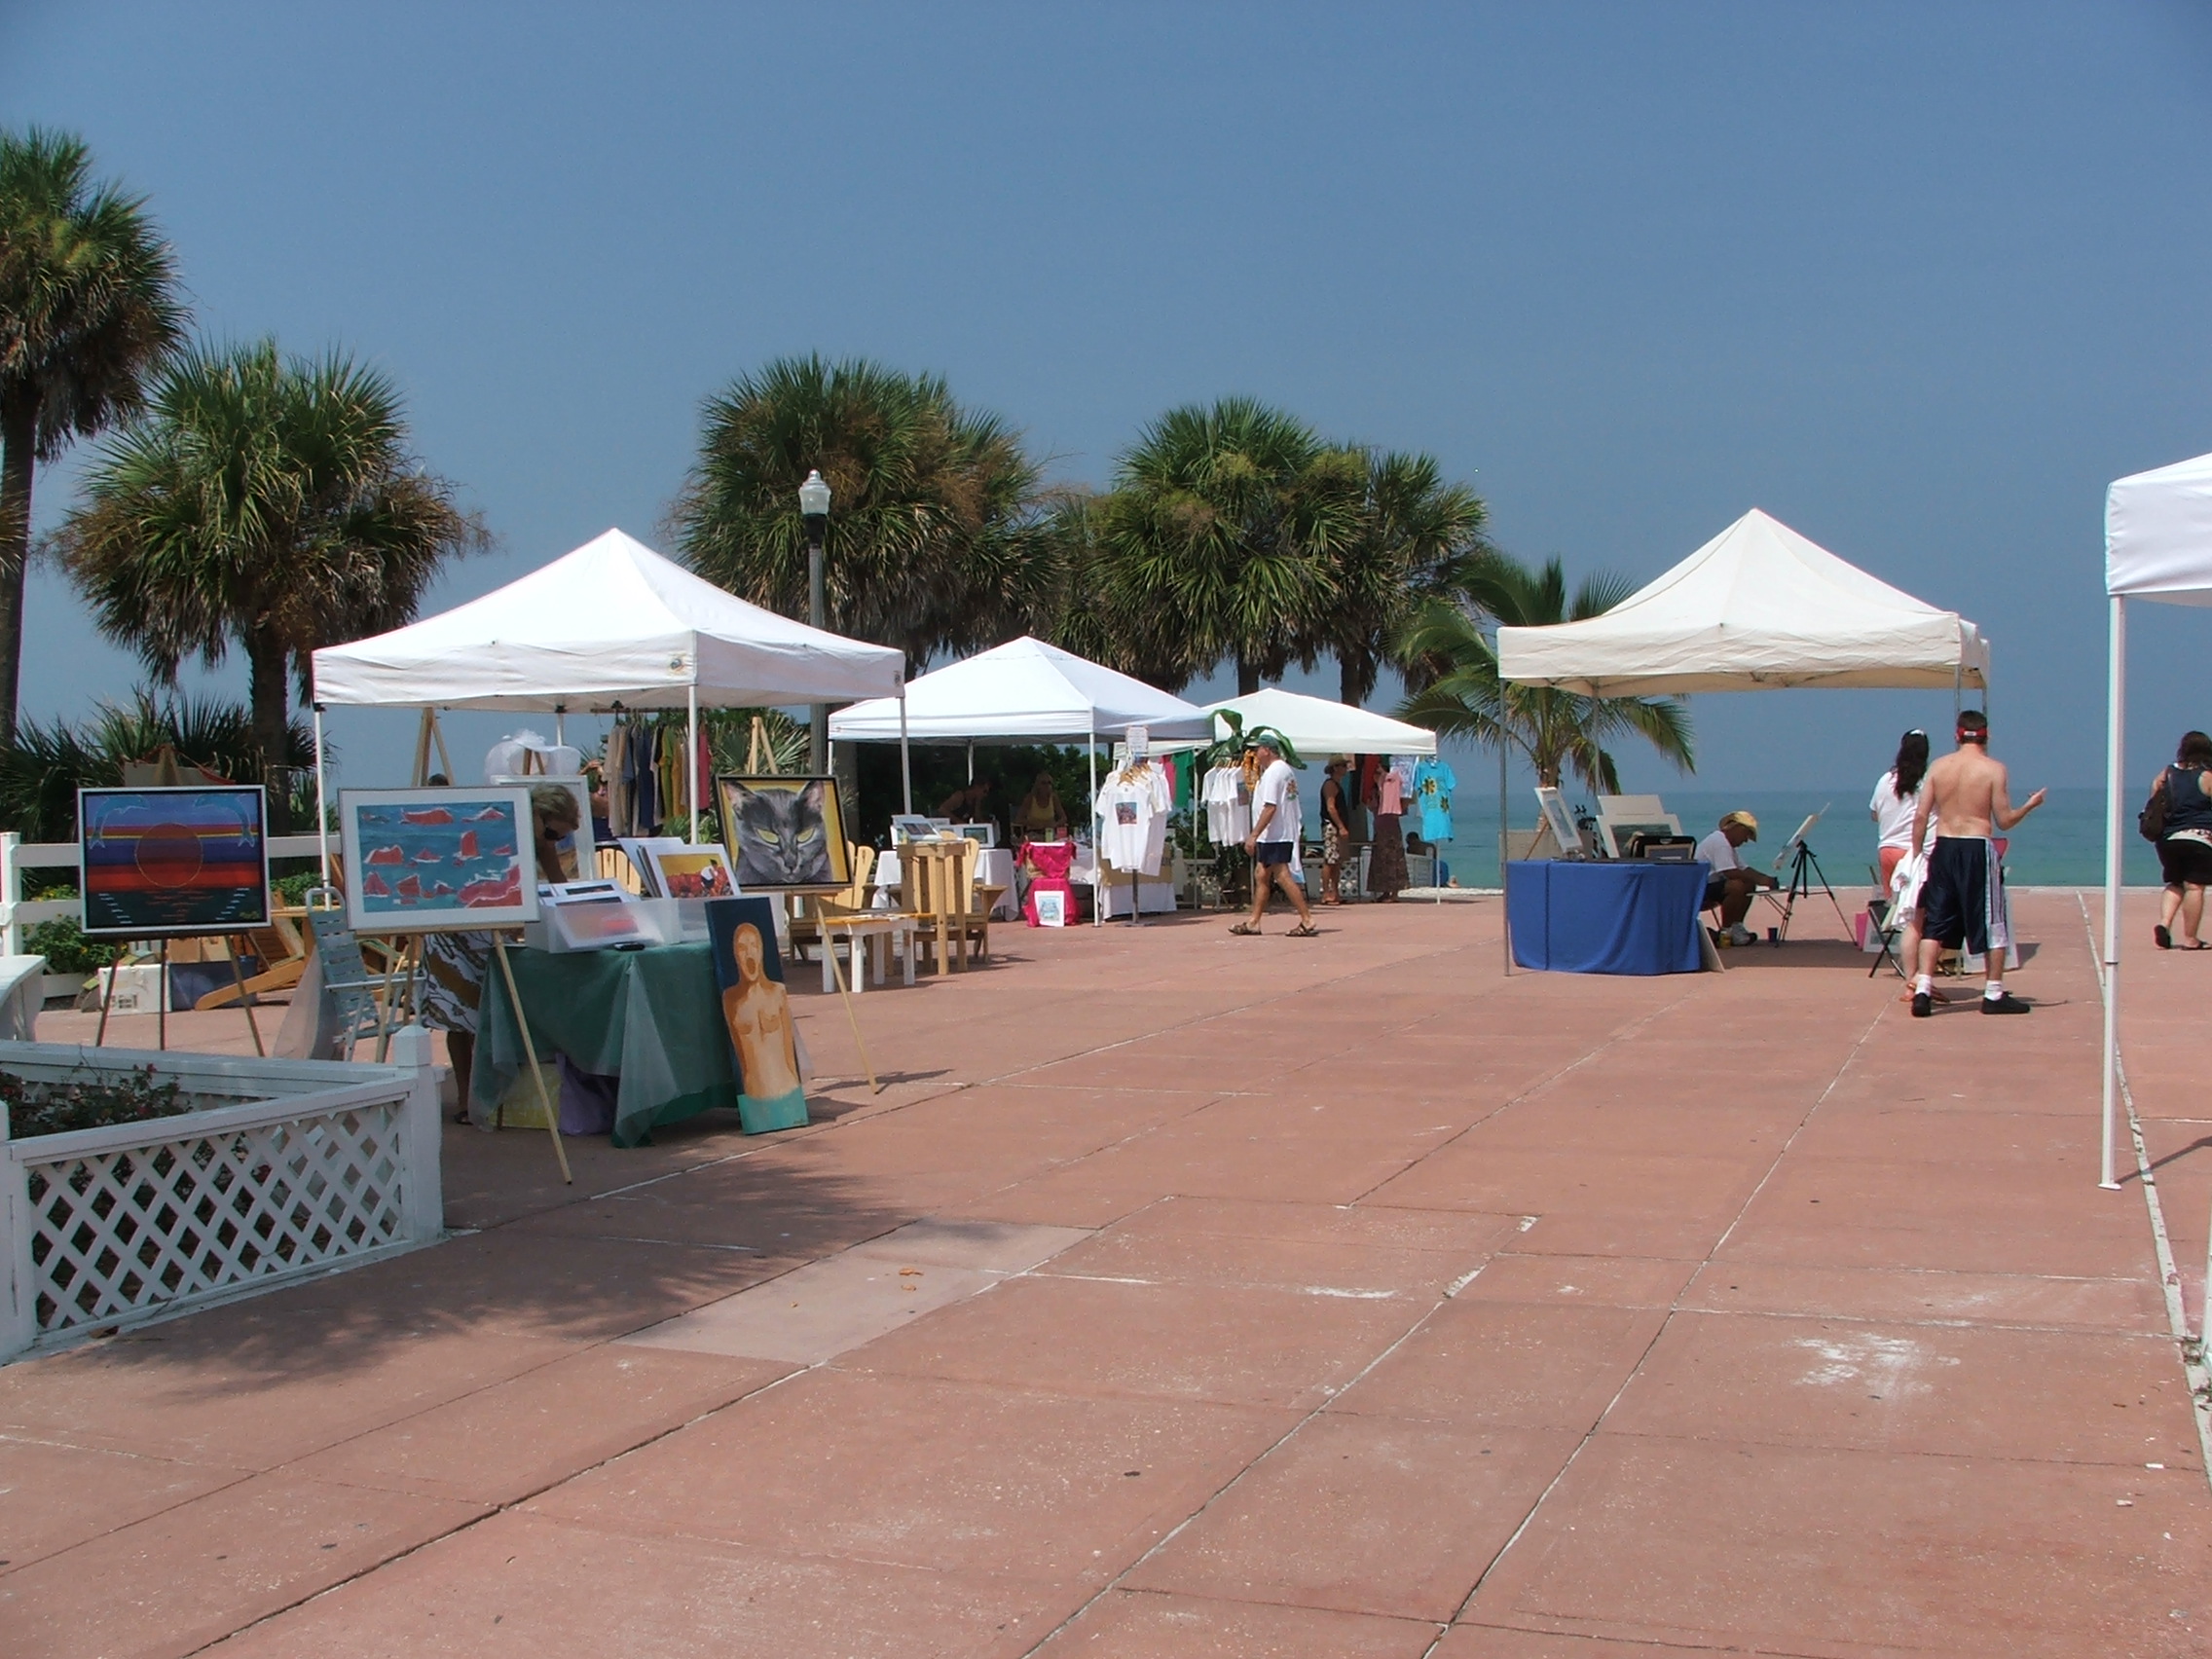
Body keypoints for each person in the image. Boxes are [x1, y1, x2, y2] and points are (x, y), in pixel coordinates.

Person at [424, 783, 584, 1122]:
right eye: (554, 833)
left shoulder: (541, 842)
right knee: (460, 1015)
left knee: (484, 1013)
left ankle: (490, 1093)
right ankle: (467, 1099)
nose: (554, 842)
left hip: (495, 928)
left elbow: (557, 883)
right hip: (457, 924)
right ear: (538, 816)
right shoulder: (494, 831)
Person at [1908, 711, 2046, 1016]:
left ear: (1958, 735)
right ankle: (1993, 992)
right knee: (1992, 920)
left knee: (1936, 922)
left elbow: (1920, 816)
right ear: (1986, 736)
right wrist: (2030, 806)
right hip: (1976, 847)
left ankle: (1922, 989)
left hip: (1943, 847)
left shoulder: (1938, 767)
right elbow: (2005, 820)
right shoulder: (1993, 769)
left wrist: (1917, 855)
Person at [1871, 730, 1936, 999]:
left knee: (1905, 918)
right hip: (1916, 855)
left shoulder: (1886, 780)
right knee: (1918, 922)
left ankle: (1915, 975)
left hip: (1888, 852)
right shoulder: (1928, 781)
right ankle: (1915, 978)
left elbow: (1875, 814)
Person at [1230, 738, 1316, 938]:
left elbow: (1270, 807)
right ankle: (1254, 921)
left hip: (1275, 834)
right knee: (1261, 874)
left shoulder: (1273, 773)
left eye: (1257, 750)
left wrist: (1253, 835)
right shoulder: (1285, 770)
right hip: (1277, 833)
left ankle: (1307, 918)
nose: (1254, 754)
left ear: (1267, 750)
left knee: (1282, 875)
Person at [721, 920, 803, 1112]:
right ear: (735, 954)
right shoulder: (731, 1000)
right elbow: (738, 1054)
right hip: (754, 1093)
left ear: (761, 950)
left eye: (754, 945)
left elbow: (788, 1047)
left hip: (787, 1087)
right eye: (742, 948)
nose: (749, 953)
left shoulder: (777, 992)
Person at [2150, 730, 2212, 949]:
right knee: (2194, 887)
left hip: (2168, 840)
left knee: (2175, 883)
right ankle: (2191, 939)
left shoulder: (2166, 774)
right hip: (2199, 839)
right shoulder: (2207, 776)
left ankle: (2164, 924)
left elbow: (2154, 803)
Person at [1697, 810, 1776, 944]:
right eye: (1745, 835)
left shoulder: (1728, 846)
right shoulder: (1719, 841)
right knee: (1737, 886)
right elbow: (1729, 872)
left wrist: (1766, 879)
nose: (1745, 840)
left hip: (1712, 887)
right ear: (1737, 828)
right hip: (1699, 890)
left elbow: (1744, 869)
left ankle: (1736, 926)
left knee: (1749, 884)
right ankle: (1726, 930)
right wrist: (1761, 880)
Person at [1319, 758, 1353, 905]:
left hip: (1336, 826)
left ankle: (1335, 892)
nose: (1346, 768)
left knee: (1336, 861)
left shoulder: (1337, 785)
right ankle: (1326, 893)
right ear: (1335, 768)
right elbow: (1330, 807)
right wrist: (1340, 826)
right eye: (1343, 766)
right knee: (1330, 860)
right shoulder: (1330, 785)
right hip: (1331, 826)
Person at [1011, 770, 1066, 843]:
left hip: (1050, 833)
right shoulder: (1030, 798)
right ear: (1038, 785)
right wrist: (1033, 823)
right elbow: (1018, 819)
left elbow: (1063, 818)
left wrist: (1055, 825)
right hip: (1034, 832)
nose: (1047, 785)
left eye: (1049, 783)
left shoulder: (1053, 798)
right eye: (1043, 783)